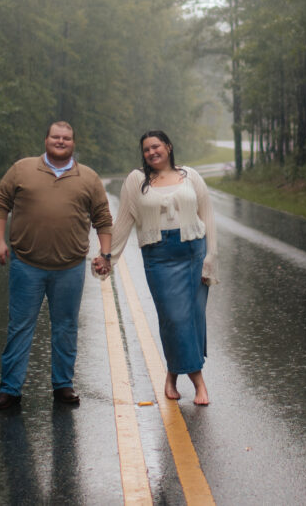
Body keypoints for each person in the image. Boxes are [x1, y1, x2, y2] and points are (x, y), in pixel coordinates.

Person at [0, 121, 113, 411]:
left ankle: (63, 386)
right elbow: (0, 203)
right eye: (56, 137)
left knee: (66, 327)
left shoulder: (88, 177)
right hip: (26, 264)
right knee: (20, 326)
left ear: (73, 143)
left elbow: (103, 219)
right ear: (46, 140)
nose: (61, 141)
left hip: (70, 266)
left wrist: (105, 255)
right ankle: (9, 390)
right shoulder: (22, 169)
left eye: (66, 138)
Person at [94, 130, 217, 405]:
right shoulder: (136, 181)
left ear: (168, 147)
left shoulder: (190, 176)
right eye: (147, 149)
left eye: (156, 146)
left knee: (193, 318)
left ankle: (172, 376)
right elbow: (123, 221)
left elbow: (207, 215)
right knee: (174, 318)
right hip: (159, 257)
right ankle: (199, 382)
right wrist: (107, 257)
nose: (152, 152)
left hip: (194, 253)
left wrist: (211, 256)